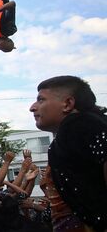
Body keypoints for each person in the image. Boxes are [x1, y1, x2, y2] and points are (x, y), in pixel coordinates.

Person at [30, 75, 107, 231]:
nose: (32, 107)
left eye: (41, 100)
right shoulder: (85, 127)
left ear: (67, 104)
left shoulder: (79, 125)